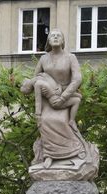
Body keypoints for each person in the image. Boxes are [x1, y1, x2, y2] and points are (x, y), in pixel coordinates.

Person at [22, 28, 86, 169]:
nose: (56, 37)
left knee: (61, 121)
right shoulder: (44, 58)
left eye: (59, 36)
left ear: (63, 41)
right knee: (45, 120)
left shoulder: (71, 57)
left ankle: (74, 152)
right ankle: (49, 155)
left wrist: (64, 97)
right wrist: (28, 85)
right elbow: (37, 77)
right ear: (48, 41)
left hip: (65, 96)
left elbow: (77, 79)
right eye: (52, 36)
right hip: (48, 98)